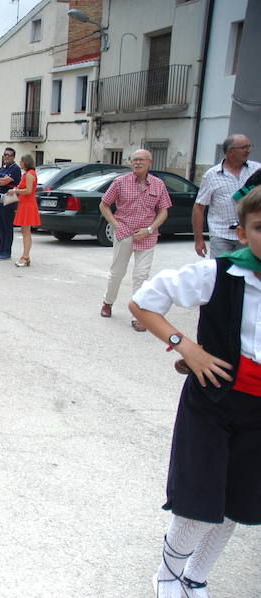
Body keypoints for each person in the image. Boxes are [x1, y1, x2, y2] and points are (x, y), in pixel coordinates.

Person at [128, 186, 261, 598]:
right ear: (242, 234)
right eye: (260, 227)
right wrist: (186, 346)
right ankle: (167, 577)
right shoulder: (218, 274)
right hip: (214, 402)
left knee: (236, 504)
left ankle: (196, 577)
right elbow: (144, 302)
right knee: (199, 502)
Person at [99, 149, 171, 331]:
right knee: (117, 272)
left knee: (141, 276)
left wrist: (150, 229)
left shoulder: (158, 184)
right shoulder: (120, 182)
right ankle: (108, 302)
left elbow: (163, 210)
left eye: (141, 160)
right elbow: (104, 205)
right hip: (124, 232)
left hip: (147, 234)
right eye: (134, 160)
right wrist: (116, 224)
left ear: (150, 163)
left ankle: (137, 314)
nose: (137, 163)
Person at [193, 134, 260, 258]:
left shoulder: (257, 169)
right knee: (221, 272)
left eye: (249, 146)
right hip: (221, 235)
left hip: (248, 234)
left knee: (247, 273)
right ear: (230, 152)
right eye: (244, 147)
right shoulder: (211, 175)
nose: (248, 150)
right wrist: (198, 239)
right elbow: (199, 207)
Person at [0, 148, 23, 260]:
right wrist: (0, 180)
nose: (6, 157)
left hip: (8, 200)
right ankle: (0, 249)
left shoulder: (15, 169)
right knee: (0, 226)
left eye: (9, 155)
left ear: (13, 157)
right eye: (5, 155)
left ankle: (7, 251)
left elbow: (5, 181)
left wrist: (0, 180)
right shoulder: (2, 167)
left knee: (7, 226)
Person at [7, 154, 39, 267]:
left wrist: (15, 191)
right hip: (25, 203)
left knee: (26, 232)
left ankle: (25, 256)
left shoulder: (30, 174)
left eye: (21, 161)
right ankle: (26, 256)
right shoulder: (27, 174)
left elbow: (29, 190)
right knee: (25, 231)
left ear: (25, 162)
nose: (20, 163)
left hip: (28, 204)